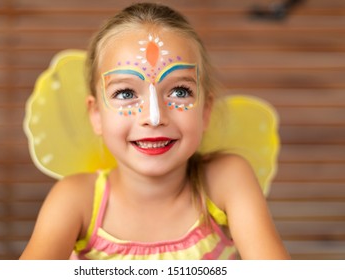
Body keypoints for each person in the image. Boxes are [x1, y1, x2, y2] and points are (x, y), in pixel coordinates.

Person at [20, 2, 290, 260]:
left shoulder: (226, 181)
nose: (154, 117)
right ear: (96, 114)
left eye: (179, 91)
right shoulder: (75, 201)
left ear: (205, 111)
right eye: (125, 92)